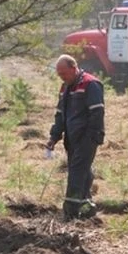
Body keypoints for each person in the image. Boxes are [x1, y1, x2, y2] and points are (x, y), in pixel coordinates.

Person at [46, 54, 105, 221]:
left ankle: (70, 211)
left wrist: (92, 136)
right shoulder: (65, 87)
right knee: (83, 171)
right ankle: (86, 208)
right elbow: (60, 114)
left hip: (87, 137)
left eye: (64, 73)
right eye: (59, 74)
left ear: (74, 68)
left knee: (77, 172)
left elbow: (97, 113)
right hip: (71, 138)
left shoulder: (90, 84)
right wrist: (54, 137)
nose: (62, 77)